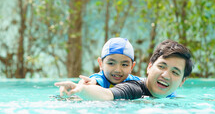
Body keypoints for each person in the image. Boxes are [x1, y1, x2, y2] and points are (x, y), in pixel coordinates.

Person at [55, 39, 193, 100]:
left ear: (182, 81)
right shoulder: (133, 88)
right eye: (161, 66)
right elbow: (109, 95)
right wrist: (81, 90)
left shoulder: (170, 93)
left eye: (175, 72)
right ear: (149, 67)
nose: (166, 75)